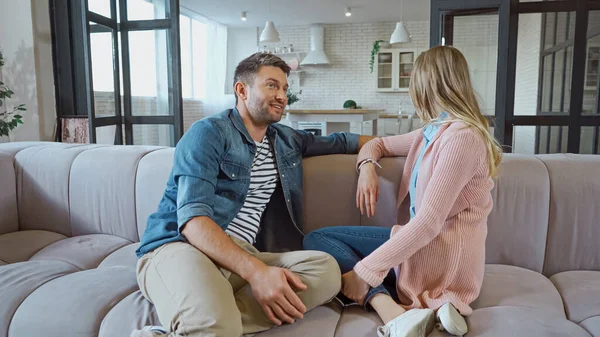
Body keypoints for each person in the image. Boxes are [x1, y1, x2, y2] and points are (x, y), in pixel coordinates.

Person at [131, 52, 374, 337]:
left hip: (243, 254)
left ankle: (204, 320)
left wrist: (372, 160)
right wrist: (256, 273)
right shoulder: (208, 133)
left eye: (285, 88)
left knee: (326, 271)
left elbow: (345, 141)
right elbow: (193, 222)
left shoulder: (286, 139)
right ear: (242, 90)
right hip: (181, 247)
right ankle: (210, 320)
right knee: (216, 322)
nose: (282, 95)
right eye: (272, 85)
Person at [303, 45, 503, 337]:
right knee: (321, 240)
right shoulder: (434, 131)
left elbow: (428, 223)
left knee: (318, 239)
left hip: (442, 252)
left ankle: (395, 308)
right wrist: (367, 167)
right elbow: (378, 143)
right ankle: (427, 309)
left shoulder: (462, 139)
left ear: (426, 84)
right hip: (424, 244)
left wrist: (364, 273)